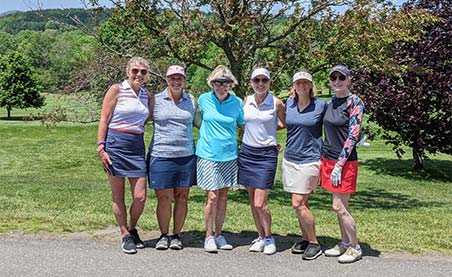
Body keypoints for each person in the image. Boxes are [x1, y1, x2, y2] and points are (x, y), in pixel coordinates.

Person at [97, 57, 150, 254]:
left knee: (140, 196)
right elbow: (104, 119)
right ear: (128, 71)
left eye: (143, 72)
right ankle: (124, 234)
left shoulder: (146, 95)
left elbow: (145, 119)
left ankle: (133, 227)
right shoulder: (116, 89)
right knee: (118, 194)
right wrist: (101, 148)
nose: (139, 75)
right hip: (115, 144)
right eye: (135, 70)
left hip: (136, 145)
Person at [147, 65, 201, 250]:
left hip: (186, 156)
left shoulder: (191, 100)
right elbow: (140, 119)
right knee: (164, 198)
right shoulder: (155, 99)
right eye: (172, 78)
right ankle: (163, 235)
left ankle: (176, 235)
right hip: (161, 155)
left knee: (182, 196)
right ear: (166, 79)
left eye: (180, 78)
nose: (176, 82)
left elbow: (200, 123)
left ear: (184, 80)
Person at [196, 65, 245, 253]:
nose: (221, 86)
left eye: (226, 83)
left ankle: (219, 234)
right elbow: (196, 119)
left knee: (223, 196)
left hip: (229, 155)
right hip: (208, 154)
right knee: (212, 196)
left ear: (231, 85)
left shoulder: (237, 102)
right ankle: (208, 236)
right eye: (217, 83)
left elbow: (242, 124)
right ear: (211, 83)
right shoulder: (204, 99)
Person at [238, 67, 285, 255]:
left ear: (269, 82)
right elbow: (243, 122)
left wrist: (270, 135)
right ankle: (260, 236)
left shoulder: (277, 103)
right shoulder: (246, 101)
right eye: (256, 80)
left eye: (263, 80)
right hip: (247, 153)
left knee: (260, 203)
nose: (260, 84)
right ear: (251, 82)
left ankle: (269, 237)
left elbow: (283, 123)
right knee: (252, 200)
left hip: (266, 155)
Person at [321, 64, 365, 263]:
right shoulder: (331, 101)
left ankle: (355, 247)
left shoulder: (354, 102)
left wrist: (340, 164)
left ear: (349, 79)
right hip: (328, 159)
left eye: (341, 77)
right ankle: (345, 242)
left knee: (339, 206)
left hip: (345, 162)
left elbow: (353, 134)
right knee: (340, 205)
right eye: (333, 78)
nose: (337, 81)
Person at [282, 70, 327, 260]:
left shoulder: (321, 105)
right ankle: (306, 238)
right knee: (303, 203)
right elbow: (283, 125)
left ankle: (315, 243)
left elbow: (334, 123)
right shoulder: (289, 104)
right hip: (290, 158)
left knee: (298, 203)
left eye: (305, 83)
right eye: (298, 83)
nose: (301, 86)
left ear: (311, 85)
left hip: (310, 159)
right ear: (293, 86)